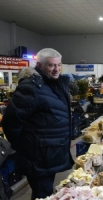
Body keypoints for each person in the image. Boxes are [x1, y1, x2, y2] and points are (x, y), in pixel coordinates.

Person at [2, 48, 74, 200]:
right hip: (38, 159)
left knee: (46, 194)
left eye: (58, 65)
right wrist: (28, 148)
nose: (56, 69)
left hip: (50, 155)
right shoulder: (31, 87)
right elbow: (10, 122)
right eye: (51, 65)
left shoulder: (54, 84)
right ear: (39, 66)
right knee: (42, 195)